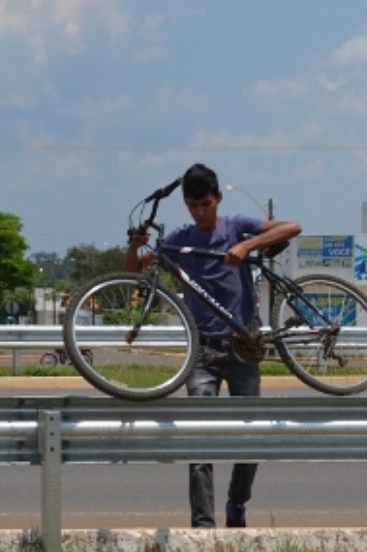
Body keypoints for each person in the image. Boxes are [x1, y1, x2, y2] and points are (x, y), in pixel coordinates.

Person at [125, 163, 302, 528]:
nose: (201, 212)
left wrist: (247, 245)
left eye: (206, 204)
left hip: (242, 344)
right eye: (193, 205)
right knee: (198, 437)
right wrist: (134, 244)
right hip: (202, 351)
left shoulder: (236, 225)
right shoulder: (180, 238)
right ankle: (203, 524)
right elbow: (135, 269)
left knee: (249, 435)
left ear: (218, 199)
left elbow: (292, 227)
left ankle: (237, 505)